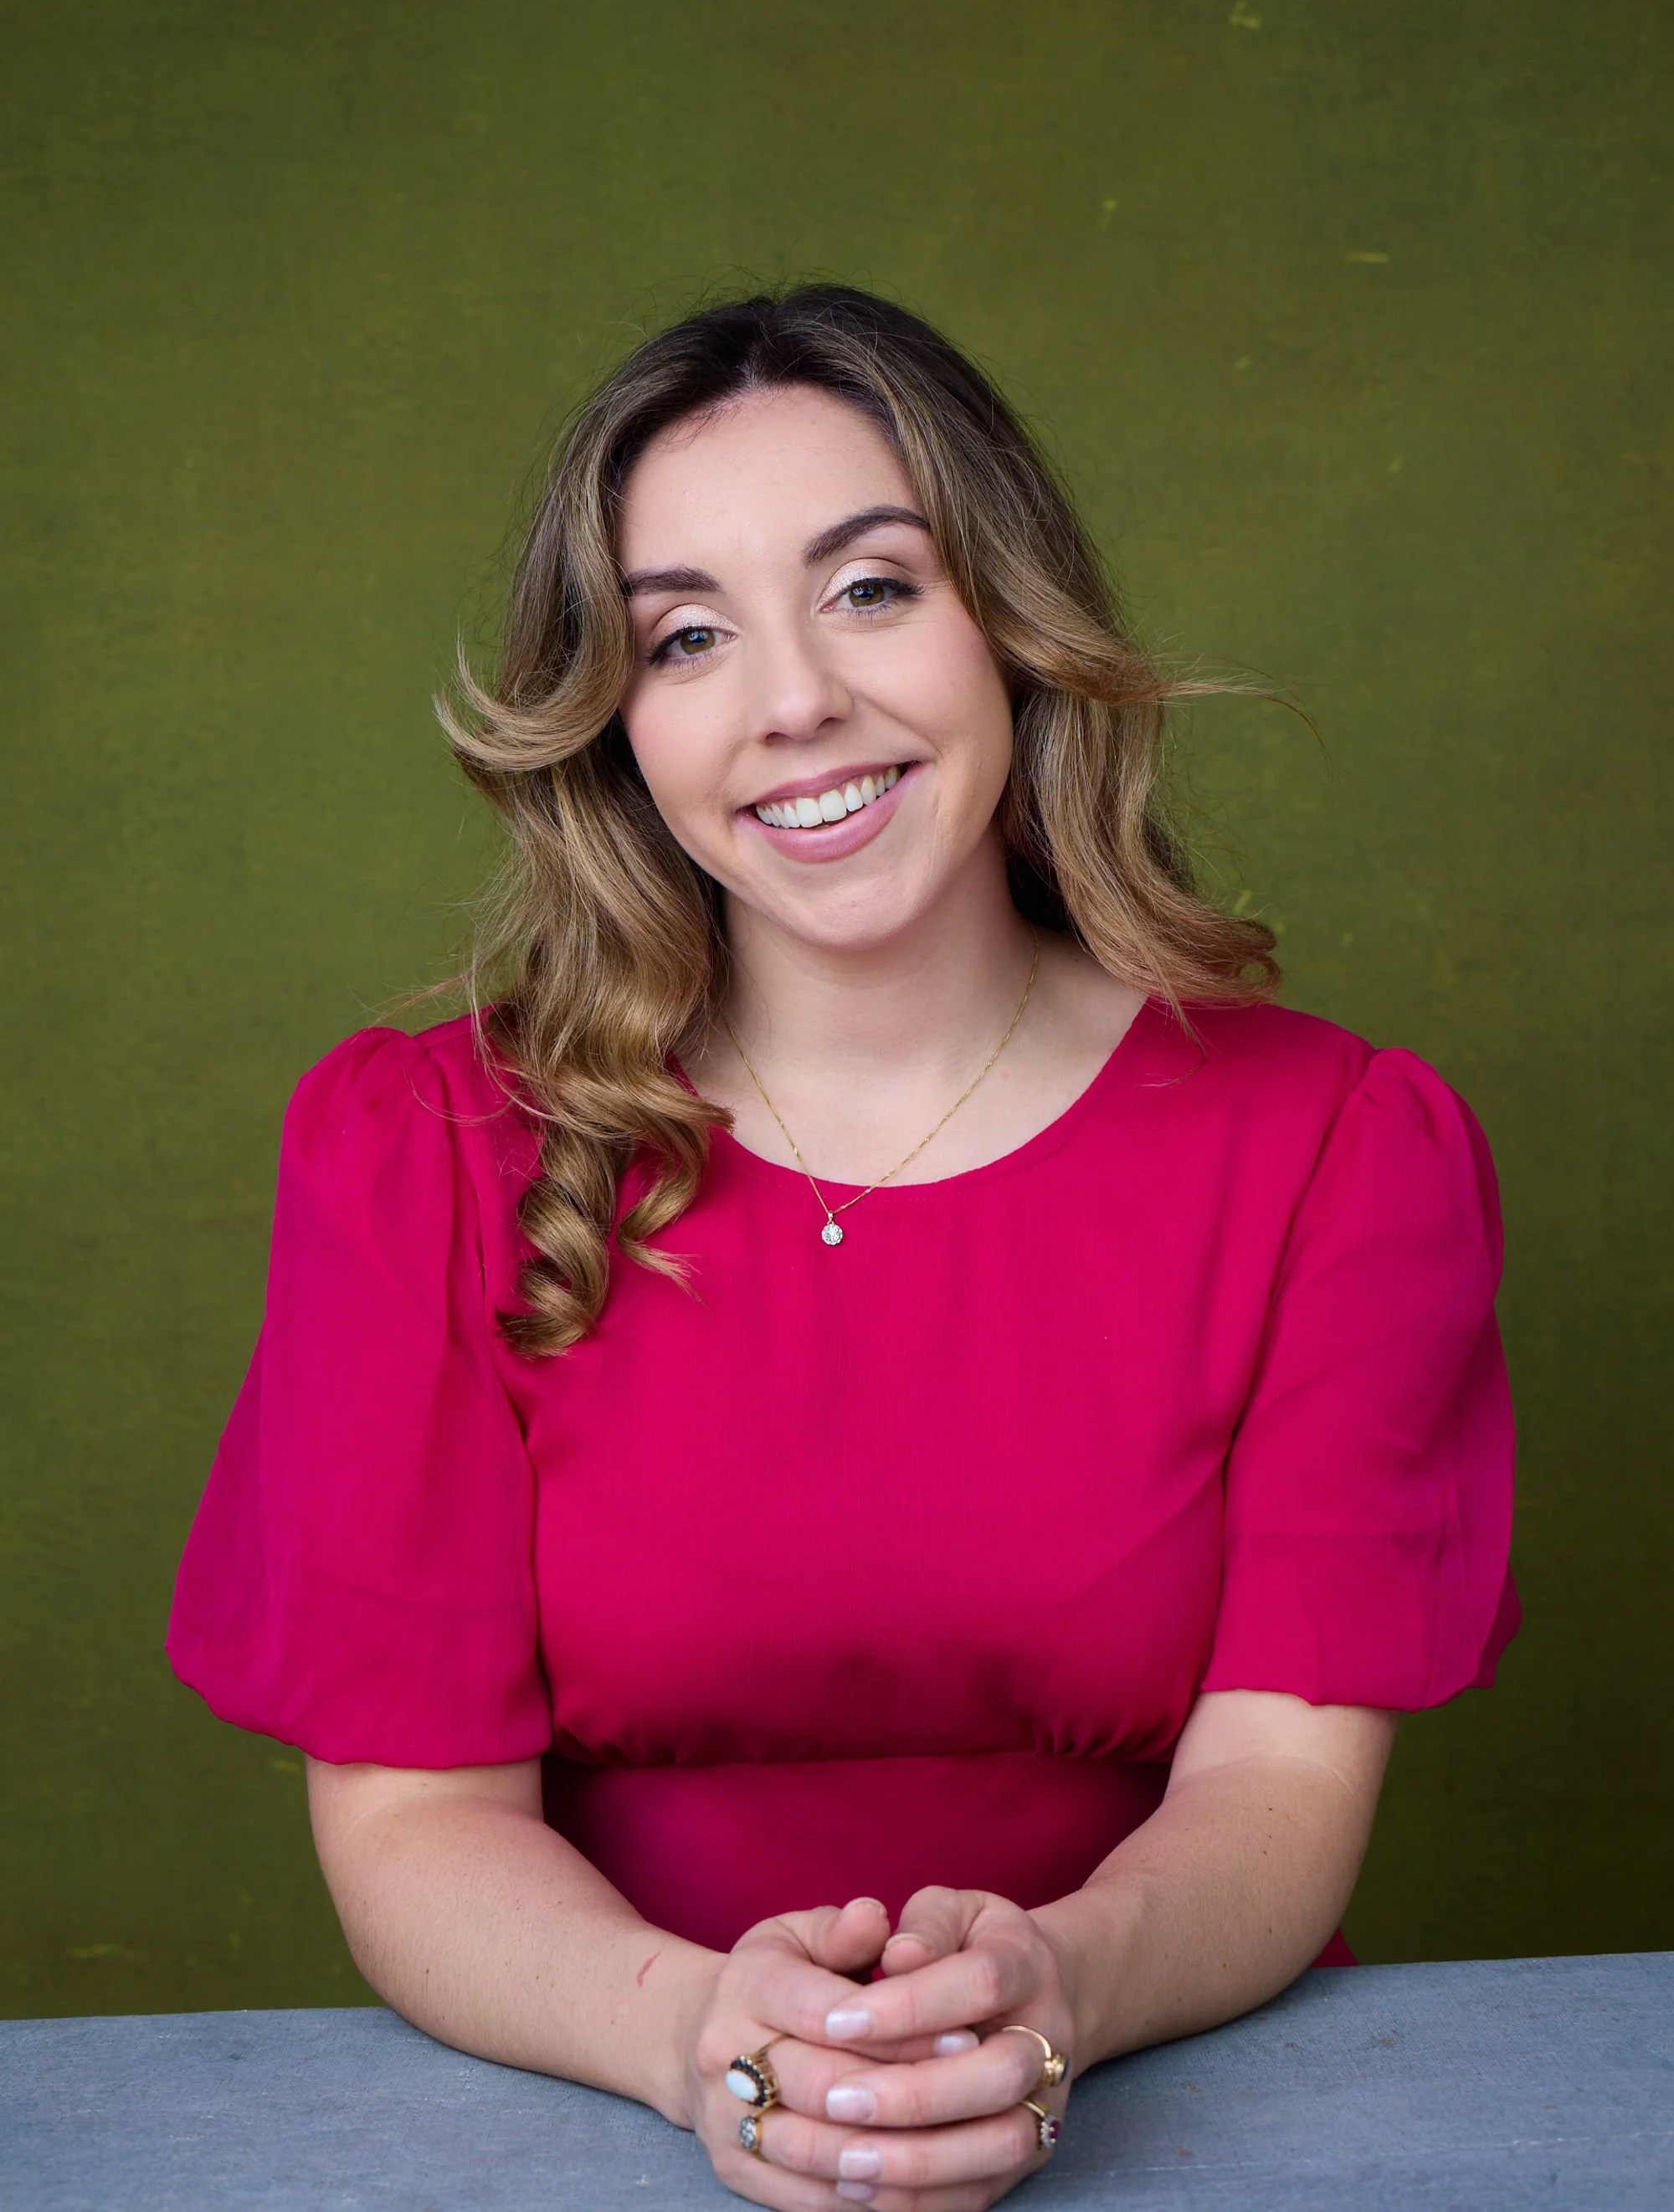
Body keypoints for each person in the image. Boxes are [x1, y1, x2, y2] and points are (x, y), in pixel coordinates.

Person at [169, 285, 1518, 2209]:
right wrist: (694, 2034)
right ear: (618, 721)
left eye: (872, 587)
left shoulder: (1333, 1148)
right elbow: (410, 1821)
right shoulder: (426, 1152)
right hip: (597, 2127)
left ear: (1012, 620)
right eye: (688, 636)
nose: (790, 695)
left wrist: (1050, 1990)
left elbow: (1280, 1792)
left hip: (1190, 2124)